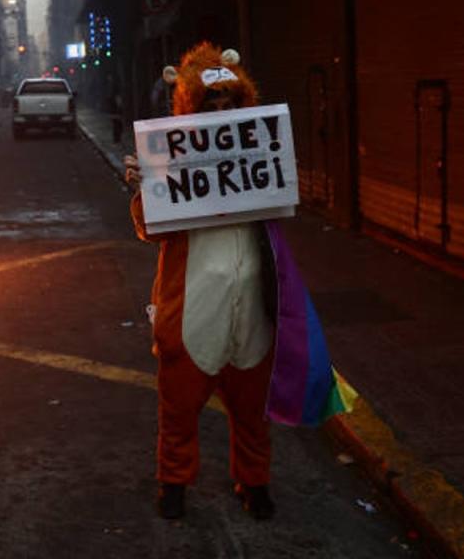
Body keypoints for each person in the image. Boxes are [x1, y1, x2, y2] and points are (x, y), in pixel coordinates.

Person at [125, 42, 348, 521]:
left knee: (251, 410)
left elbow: (283, 203)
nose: (222, 114)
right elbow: (150, 229)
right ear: (192, 109)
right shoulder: (172, 163)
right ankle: (174, 484)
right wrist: (146, 186)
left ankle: (255, 482)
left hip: (252, 309)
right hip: (193, 312)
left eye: (230, 105)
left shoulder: (256, 163)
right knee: (179, 409)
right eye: (212, 106)